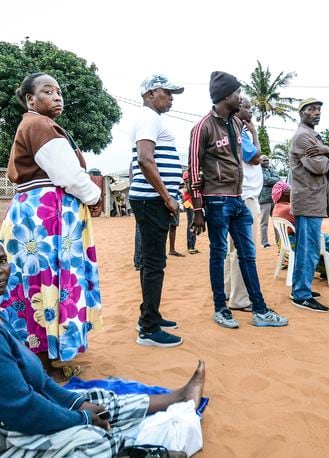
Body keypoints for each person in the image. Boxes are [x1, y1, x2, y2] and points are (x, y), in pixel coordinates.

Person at [0, 229, 206, 457]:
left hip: (5, 419)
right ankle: (125, 450)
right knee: (89, 440)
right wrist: (81, 421)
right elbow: (22, 409)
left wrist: (77, 405)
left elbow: (42, 384)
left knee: (95, 401)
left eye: (1, 260)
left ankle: (178, 398)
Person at [0, 72, 103, 378]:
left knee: (36, 279)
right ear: (31, 99)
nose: (57, 96)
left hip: (36, 215)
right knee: (46, 278)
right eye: (48, 91)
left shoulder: (36, 125)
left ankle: (41, 351)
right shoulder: (39, 125)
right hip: (45, 219)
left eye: (59, 91)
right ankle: (42, 357)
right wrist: (94, 195)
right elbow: (68, 176)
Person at [188, 71, 289, 329]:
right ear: (225, 96)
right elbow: (193, 169)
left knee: (248, 254)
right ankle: (220, 309)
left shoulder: (235, 124)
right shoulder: (202, 127)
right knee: (219, 253)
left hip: (238, 199)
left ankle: (260, 310)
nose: (240, 97)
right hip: (216, 200)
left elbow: (249, 156)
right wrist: (198, 209)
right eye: (237, 93)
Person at [128, 74, 185, 347]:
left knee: (152, 263)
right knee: (154, 265)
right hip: (152, 200)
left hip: (151, 200)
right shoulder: (149, 117)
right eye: (167, 91)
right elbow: (145, 159)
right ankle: (148, 329)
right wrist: (167, 197)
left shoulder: (151, 118)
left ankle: (150, 315)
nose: (172, 97)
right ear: (151, 93)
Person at [288, 98, 329, 312]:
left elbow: (328, 157)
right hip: (308, 199)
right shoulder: (303, 137)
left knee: (308, 247)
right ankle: (301, 295)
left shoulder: (312, 137)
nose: (316, 112)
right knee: (308, 249)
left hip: (313, 199)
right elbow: (319, 167)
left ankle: (301, 288)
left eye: (318, 109)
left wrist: (328, 151)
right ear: (302, 113)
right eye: (311, 109)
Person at [224, 96, 264, 312]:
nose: (251, 112)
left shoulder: (229, 128)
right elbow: (254, 157)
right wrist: (255, 133)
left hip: (237, 195)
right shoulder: (241, 131)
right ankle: (240, 299)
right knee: (244, 251)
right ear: (238, 109)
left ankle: (230, 294)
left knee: (233, 250)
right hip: (246, 197)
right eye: (247, 107)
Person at [272, 181, 329, 282]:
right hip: (300, 242)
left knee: (325, 238)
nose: (292, 193)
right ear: (285, 194)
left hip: (288, 241)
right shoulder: (289, 208)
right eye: (290, 192)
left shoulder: (277, 207)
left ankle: (326, 272)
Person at [259, 157, 281, 248]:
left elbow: (278, 178)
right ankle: (264, 242)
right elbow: (266, 180)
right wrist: (274, 180)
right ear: (260, 162)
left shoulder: (271, 169)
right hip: (264, 199)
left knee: (277, 221)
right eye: (264, 160)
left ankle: (278, 241)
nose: (266, 162)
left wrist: (273, 179)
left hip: (273, 199)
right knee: (264, 222)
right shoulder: (259, 171)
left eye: (267, 160)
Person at [182, 171, 199, 254]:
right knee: (191, 223)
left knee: (194, 223)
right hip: (189, 201)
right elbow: (188, 189)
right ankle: (190, 246)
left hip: (194, 201)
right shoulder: (187, 173)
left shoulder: (192, 172)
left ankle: (193, 245)